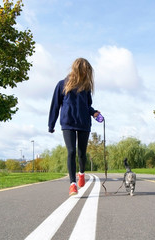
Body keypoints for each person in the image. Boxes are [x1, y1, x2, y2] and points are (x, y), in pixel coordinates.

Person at [48, 58, 101, 196]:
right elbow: (55, 105)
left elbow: (87, 106)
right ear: (78, 69)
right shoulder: (62, 85)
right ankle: (72, 184)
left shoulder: (86, 88)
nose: (87, 74)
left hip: (84, 123)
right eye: (85, 70)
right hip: (68, 123)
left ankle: (81, 173)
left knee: (82, 153)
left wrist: (94, 113)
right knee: (71, 152)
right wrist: (51, 124)